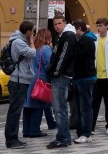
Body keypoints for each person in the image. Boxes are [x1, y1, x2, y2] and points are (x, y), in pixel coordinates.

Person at [4, 20, 36, 149]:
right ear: (28, 32)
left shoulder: (20, 41)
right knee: (14, 112)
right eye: (32, 31)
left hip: (21, 80)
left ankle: (13, 138)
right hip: (18, 81)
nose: (33, 33)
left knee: (16, 111)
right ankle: (11, 140)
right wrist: (32, 42)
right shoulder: (18, 42)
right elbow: (32, 54)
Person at [46, 14, 76, 150]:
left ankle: (63, 138)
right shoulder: (64, 35)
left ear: (64, 23)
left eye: (59, 23)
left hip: (61, 76)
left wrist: (55, 72)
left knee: (60, 109)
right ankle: (64, 137)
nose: (57, 26)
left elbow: (64, 56)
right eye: (55, 24)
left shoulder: (68, 35)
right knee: (59, 109)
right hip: (61, 75)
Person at [23, 28, 53, 139]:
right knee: (37, 106)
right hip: (39, 81)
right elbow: (49, 65)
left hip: (28, 79)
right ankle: (34, 130)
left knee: (27, 107)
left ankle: (26, 131)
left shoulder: (32, 47)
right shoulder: (45, 49)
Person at [71, 19, 96, 144]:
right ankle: (82, 132)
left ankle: (85, 133)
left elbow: (77, 56)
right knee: (82, 106)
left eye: (75, 30)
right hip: (81, 77)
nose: (74, 33)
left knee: (84, 107)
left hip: (85, 77)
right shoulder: (84, 40)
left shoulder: (86, 40)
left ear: (79, 29)